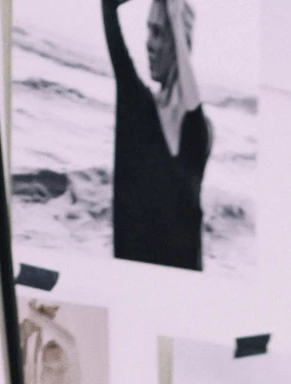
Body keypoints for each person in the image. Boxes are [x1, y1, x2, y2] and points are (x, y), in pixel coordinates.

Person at [102, 0, 211, 272]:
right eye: (148, 31)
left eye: (158, 33)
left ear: (178, 44)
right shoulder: (135, 102)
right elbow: (108, 8)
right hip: (127, 284)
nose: (148, 43)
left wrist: (176, 15)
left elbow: (192, 110)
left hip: (179, 295)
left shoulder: (199, 133)